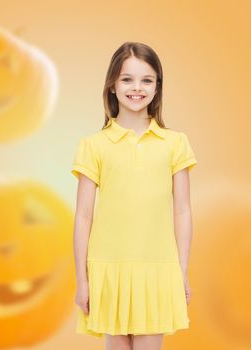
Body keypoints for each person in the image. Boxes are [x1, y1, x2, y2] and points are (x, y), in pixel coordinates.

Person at [70, 42, 197, 350]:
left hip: (156, 268)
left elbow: (182, 211)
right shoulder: (94, 145)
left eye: (146, 80)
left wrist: (180, 271)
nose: (136, 88)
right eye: (127, 79)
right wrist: (83, 280)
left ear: (157, 87)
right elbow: (84, 215)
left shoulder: (175, 143)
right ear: (112, 85)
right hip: (108, 268)